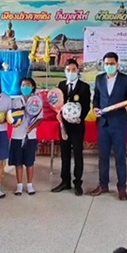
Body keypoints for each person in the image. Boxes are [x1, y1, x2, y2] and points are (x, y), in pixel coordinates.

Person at [89, 52, 127, 200]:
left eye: (112, 63)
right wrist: (95, 108)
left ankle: (121, 188)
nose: (109, 66)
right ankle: (103, 185)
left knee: (120, 157)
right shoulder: (99, 79)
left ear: (117, 64)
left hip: (119, 124)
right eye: (106, 64)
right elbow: (96, 98)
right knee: (103, 157)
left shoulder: (125, 79)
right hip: (103, 123)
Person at [52, 59, 91, 196]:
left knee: (78, 154)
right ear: (65, 71)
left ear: (78, 70)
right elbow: (57, 103)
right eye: (68, 70)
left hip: (77, 125)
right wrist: (58, 114)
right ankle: (65, 181)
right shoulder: (61, 85)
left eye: (73, 70)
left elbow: (86, 106)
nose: (71, 72)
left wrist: (79, 117)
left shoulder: (84, 87)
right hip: (64, 126)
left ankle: (78, 183)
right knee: (65, 153)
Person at [9, 78, 43, 196]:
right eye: (23, 85)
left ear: (33, 86)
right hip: (17, 135)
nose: (25, 87)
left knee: (29, 162)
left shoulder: (37, 101)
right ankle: (19, 185)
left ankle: (29, 185)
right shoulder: (15, 101)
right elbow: (10, 116)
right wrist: (12, 122)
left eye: (28, 85)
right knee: (18, 162)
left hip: (31, 136)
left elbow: (40, 119)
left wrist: (31, 127)